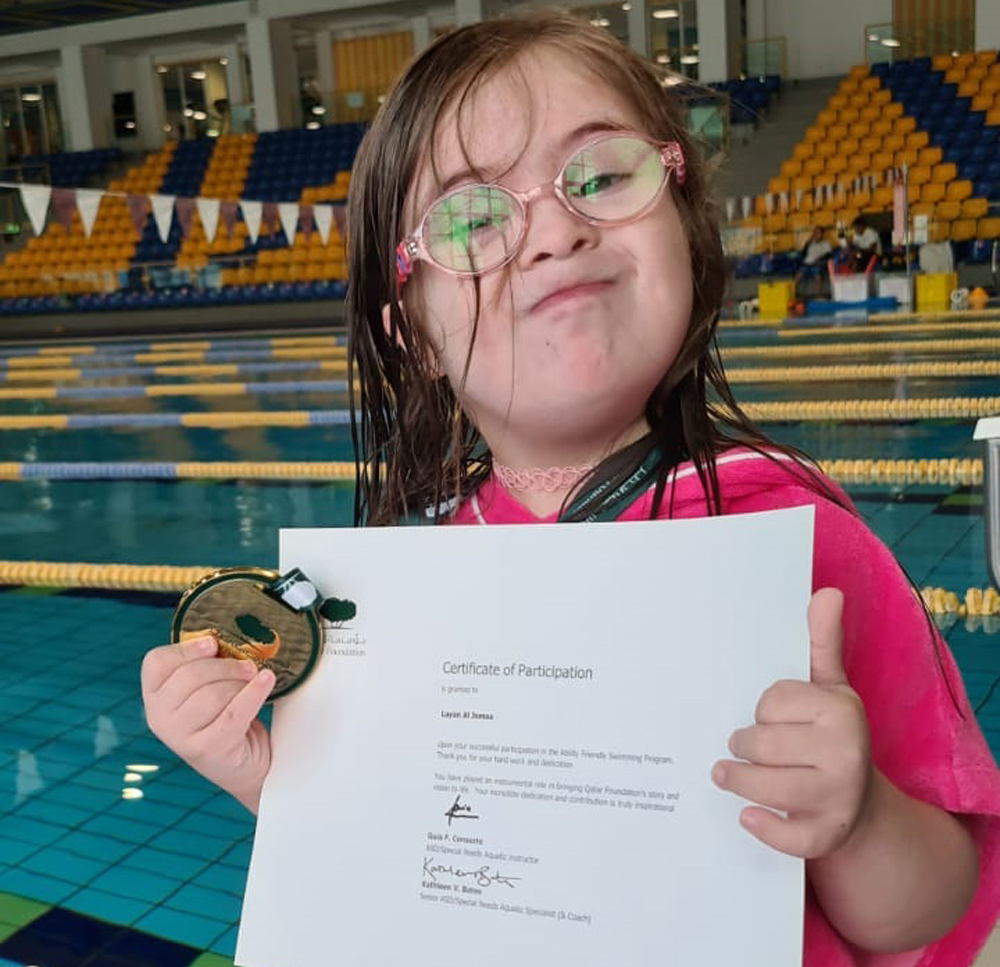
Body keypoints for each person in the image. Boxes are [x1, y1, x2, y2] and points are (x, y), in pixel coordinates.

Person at [141, 13, 1000, 965]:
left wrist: (861, 815)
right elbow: (411, 860)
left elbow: (931, 909)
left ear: (682, 215)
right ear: (412, 337)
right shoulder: (404, 590)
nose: (552, 228)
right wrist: (270, 777)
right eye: (470, 219)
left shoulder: (806, 550)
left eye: (597, 175)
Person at [795, 225, 833, 296]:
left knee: (817, 275)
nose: (817, 235)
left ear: (822, 234)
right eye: (815, 233)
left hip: (817, 263)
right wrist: (807, 243)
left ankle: (819, 294)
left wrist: (819, 259)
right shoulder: (810, 244)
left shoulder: (826, 244)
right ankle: (792, 293)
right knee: (798, 275)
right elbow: (803, 253)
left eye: (819, 233)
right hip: (807, 263)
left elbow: (829, 255)